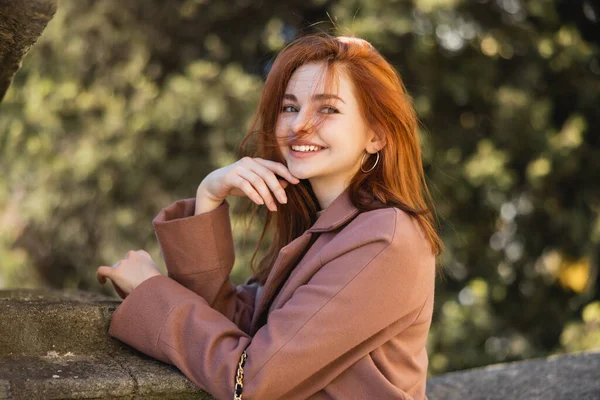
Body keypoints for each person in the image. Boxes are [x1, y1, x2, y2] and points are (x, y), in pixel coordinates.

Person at [96, 32, 444, 400]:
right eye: (290, 107)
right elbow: (230, 321)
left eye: (327, 108)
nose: (298, 126)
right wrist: (209, 195)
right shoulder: (325, 229)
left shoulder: (384, 238)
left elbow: (250, 378)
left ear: (377, 135)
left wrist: (151, 291)